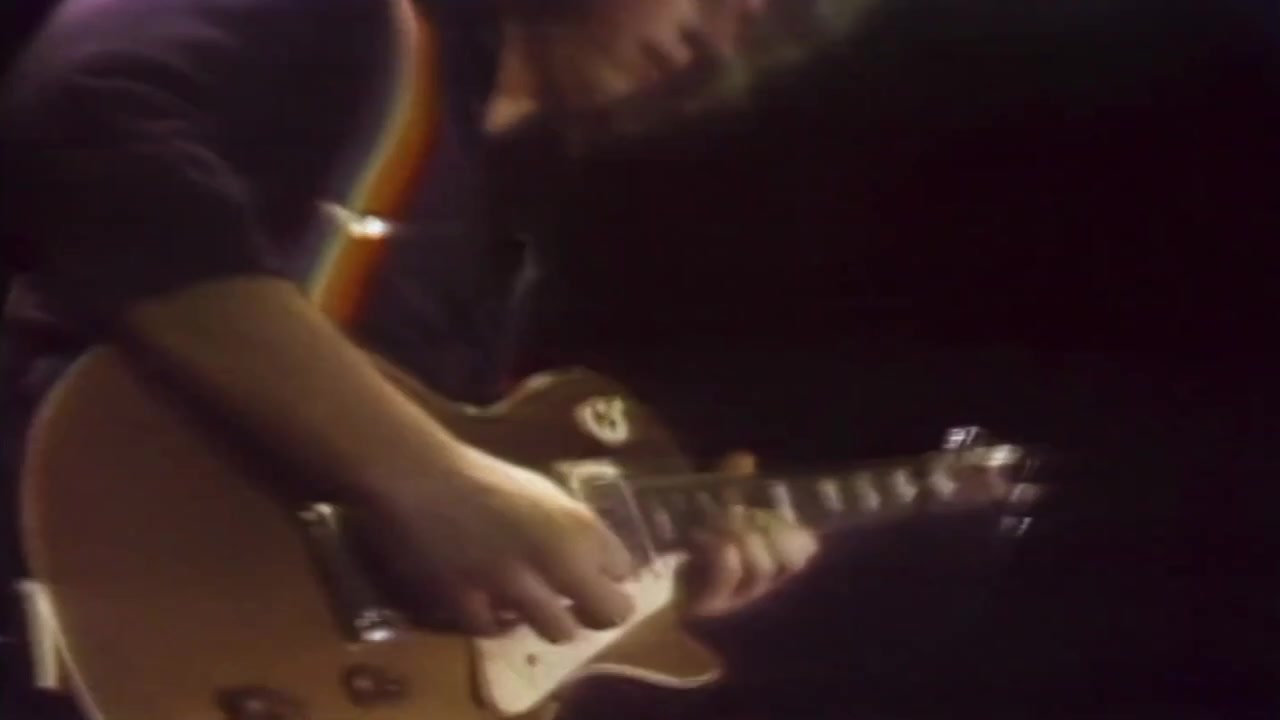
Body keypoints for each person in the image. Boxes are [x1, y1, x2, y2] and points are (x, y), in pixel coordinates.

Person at [0, 0, 824, 714]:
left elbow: (376, 542)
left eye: (774, 23)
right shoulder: (358, 21)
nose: (727, 35)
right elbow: (86, 117)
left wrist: (647, 581)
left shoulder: (508, 210)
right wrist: (428, 477)